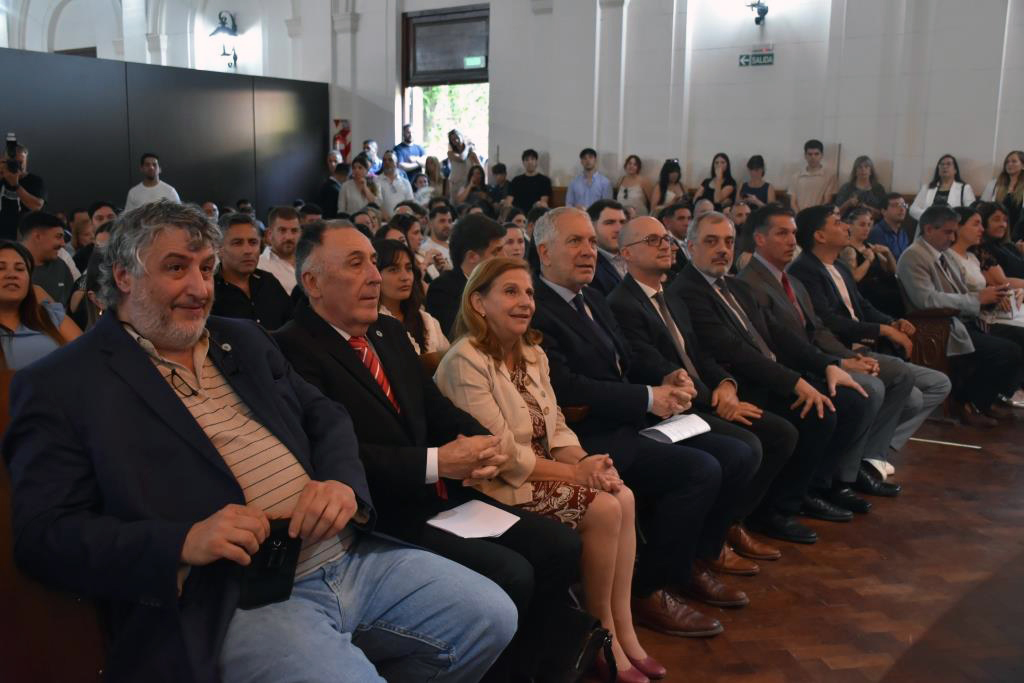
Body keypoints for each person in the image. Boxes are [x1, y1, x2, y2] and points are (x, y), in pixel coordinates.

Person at [4, 201, 515, 682]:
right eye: (176, 268)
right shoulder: (63, 383)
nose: (199, 288)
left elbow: (327, 416)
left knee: (491, 615)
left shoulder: (243, 338)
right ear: (123, 276)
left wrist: (340, 482)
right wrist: (181, 542)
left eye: (207, 268)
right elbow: (44, 535)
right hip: (232, 597)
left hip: (346, 555)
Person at [273, 221, 569, 681]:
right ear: (312, 282)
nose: (375, 276)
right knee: (512, 572)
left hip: (441, 496)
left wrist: (483, 443)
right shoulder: (290, 348)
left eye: (374, 263)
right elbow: (330, 454)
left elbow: (435, 407)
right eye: (356, 264)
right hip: (382, 515)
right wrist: (436, 463)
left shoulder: (387, 332)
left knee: (560, 546)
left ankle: (536, 668)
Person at [532, 207, 760, 638]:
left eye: (591, 242)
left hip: (628, 419)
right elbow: (566, 386)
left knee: (736, 453)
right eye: (575, 242)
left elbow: (628, 357)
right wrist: (648, 397)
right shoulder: (538, 307)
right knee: (699, 470)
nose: (588, 251)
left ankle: (693, 561)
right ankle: (648, 589)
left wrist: (667, 378)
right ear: (544, 252)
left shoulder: (591, 298)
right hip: (587, 437)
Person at [436, 257, 662, 682]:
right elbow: (499, 452)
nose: (525, 302)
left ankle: (624, 629)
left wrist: (588, 463)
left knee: (623, 494)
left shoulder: (532, 354)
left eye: (529, 292)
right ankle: (600, 633)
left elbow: (556, 427)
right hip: (492, 485)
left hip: (543, 472)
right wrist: (576, 475)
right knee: (604, 508)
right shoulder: (465, 360)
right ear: (479, 303)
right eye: (510, 292)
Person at [608, 217, 797, 571]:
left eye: (666, 239)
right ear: (627, 254)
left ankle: (726, 528)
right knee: (745, 447)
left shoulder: (669, 296)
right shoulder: (622, 303)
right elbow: (653, 366)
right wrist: (713, 399)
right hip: (668, 408)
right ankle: (707, 548)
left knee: (778, 433)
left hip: (699, 397)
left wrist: (726, 385)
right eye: (652, 240)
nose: (665, 245)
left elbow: (699, 355)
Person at [673, 211, 873, 535]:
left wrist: (828, 365)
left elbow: (781, 335)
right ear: (690, 246)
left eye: (728, 242)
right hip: (739, 385)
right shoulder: (686, 291)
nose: (722, 249)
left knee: (848, 401)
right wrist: (796, 383)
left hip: (767, 376)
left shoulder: (735, 286)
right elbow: (733, 352)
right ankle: (771, 511)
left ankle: (807, 492)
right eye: (711, 241)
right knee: (814, 416)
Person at [787, 205, 951, 486]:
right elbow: (828, 322)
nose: (846, 227)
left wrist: (892, 322)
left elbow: (862, 306)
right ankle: (868, 460)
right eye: (838, 222)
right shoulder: (804, 270)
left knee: (937, 385)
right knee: (902, 380)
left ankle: (872, 453)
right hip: (840, 349)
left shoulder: (839, 266)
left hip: (861, 347)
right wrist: (881, 331)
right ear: (819, 235)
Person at [896, 205, 1022, 426]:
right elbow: (926, 300)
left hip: (962, 320)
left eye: (954, 232)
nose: (953, 238)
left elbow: (962, 291)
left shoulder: (944, 255)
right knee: (1005, 351)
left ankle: (989, 398)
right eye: (947, 232)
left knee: (1020, 338)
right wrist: (977, 299)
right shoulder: (913, 256)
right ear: (928, 229)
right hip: (938, 327)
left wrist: (990, 298)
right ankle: (968, 403)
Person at [947, 207, 1024, 358]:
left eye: (982, 224)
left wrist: (1007, 294)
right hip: (973, 320)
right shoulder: (948, 257)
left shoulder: (972, 257)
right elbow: (958, 296)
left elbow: (991, 287)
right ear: (958, 227)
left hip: (990, 313)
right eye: (976, 224)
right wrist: (992, 297)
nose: (982, 229)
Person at [0, 240, 81, 369]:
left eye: (20, 269)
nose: (12, 275)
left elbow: (89, 356)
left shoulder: (50, 317)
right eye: (1, 268)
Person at [425, 214, 506, 336]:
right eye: (496, 252)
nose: (504, 257)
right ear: (472, 257)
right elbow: (458, 336)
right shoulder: (443, 289)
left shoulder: (501, 283)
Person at [213, 213, 293, 330]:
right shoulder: (210, 290)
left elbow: (292, 324)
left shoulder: (268, 281)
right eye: (237, 243)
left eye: (253, 242)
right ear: (219, 248)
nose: (248, 250)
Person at [375, 238, 450, 355]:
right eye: (393, 270)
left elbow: (447, 361)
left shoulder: (427, 321)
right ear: (375, 274)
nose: (405, 277)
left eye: (409, 268)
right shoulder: (369, 324)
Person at [843, 206, 903, 316]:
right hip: (866, 295)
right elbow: (855, 277)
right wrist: (869, 260)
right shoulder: (848, 250)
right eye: (862, 225)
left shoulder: (869, 246)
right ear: (850, 226)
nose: (867, 229)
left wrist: (888, 253)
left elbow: (893, 271)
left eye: (869, 225)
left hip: (881, 289)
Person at [19, 211, 75, 307]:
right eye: (58, 237)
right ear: (38, 237)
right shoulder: (8, 268)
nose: (63, 244)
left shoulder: (61, 266)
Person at [1, 142, 47, 241]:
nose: (17, 166)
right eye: (13, 162)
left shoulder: (35, 181)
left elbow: (36, 206)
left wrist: (15, 185)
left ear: (26, 160)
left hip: (25, 238)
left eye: (20, 162)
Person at [909, 155, 976, 221]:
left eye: (948, 164)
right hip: (929, 224)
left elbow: (970, 212)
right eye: (942, 164)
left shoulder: (964, 188)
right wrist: (930, 216)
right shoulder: (927, 188)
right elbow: (913, 209)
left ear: (955, 170)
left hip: (953, 225)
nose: (944, 167)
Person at [588, 199, 629, 296]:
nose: (619, 229)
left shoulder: (637, 256)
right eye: (610, 222)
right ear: (591, 226)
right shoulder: (588, 265)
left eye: (622, 222)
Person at [981, 150, 1024, 237]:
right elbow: (983, 207)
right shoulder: (994, 184)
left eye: (1014, 161)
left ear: (1023, 166)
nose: (1009, 164)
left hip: (1018, 232)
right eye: (1007, 162)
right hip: (994, 231)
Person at [977, 200, 1024, 279]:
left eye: (1005, 220)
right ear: (983, 222)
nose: (1003, 225)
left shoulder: (1008, 246)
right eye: (996, 220)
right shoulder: (984, 250)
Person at [789, 139, 837, 212]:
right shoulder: (796, 176)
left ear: (822, 155)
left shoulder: (830, 176)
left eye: (816, 154)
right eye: (810, 154)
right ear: (805, 155)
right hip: (799, 215)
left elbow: (827, 201)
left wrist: (815, 216)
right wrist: (799, 215)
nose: (813, 157)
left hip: (819, 215)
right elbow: (793, 203)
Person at [867, 192, 911, 261]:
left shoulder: (903, 232)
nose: (902, 209)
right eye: (895, 206)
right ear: (884, 211)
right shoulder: (877, 233)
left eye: (904, 205)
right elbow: (884, 264)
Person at [447, 129, 484, 202]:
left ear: (462, 137)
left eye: (457, 137)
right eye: (452, 139)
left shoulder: (472, 154)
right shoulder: (450, 153)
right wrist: (467, 147)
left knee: (465, 204)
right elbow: (462, 158)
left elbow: (480, 169)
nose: (455, 140)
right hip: (454, 184)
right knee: (454, 204)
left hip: (466, 185)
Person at [376, 150, 415, 218]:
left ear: (396, 163)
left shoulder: (405, 182)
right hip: (384, 220)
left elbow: (410, 203)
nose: (387, 162)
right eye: (384, 160)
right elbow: (377, 203)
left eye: (390, 160)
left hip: (403, 219)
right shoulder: (376, 181)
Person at [658, 202, 692, 276]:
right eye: (681, 218)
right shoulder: (664, 244)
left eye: (689, 218)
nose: (687, 223)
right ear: (667, 222)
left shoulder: (695, 242)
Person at [422, 203, 455, 274]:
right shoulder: (426, 250)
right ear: (430, 224)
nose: (447, 225)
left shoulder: (456, 245)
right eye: (442, 221)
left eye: (449, 221)